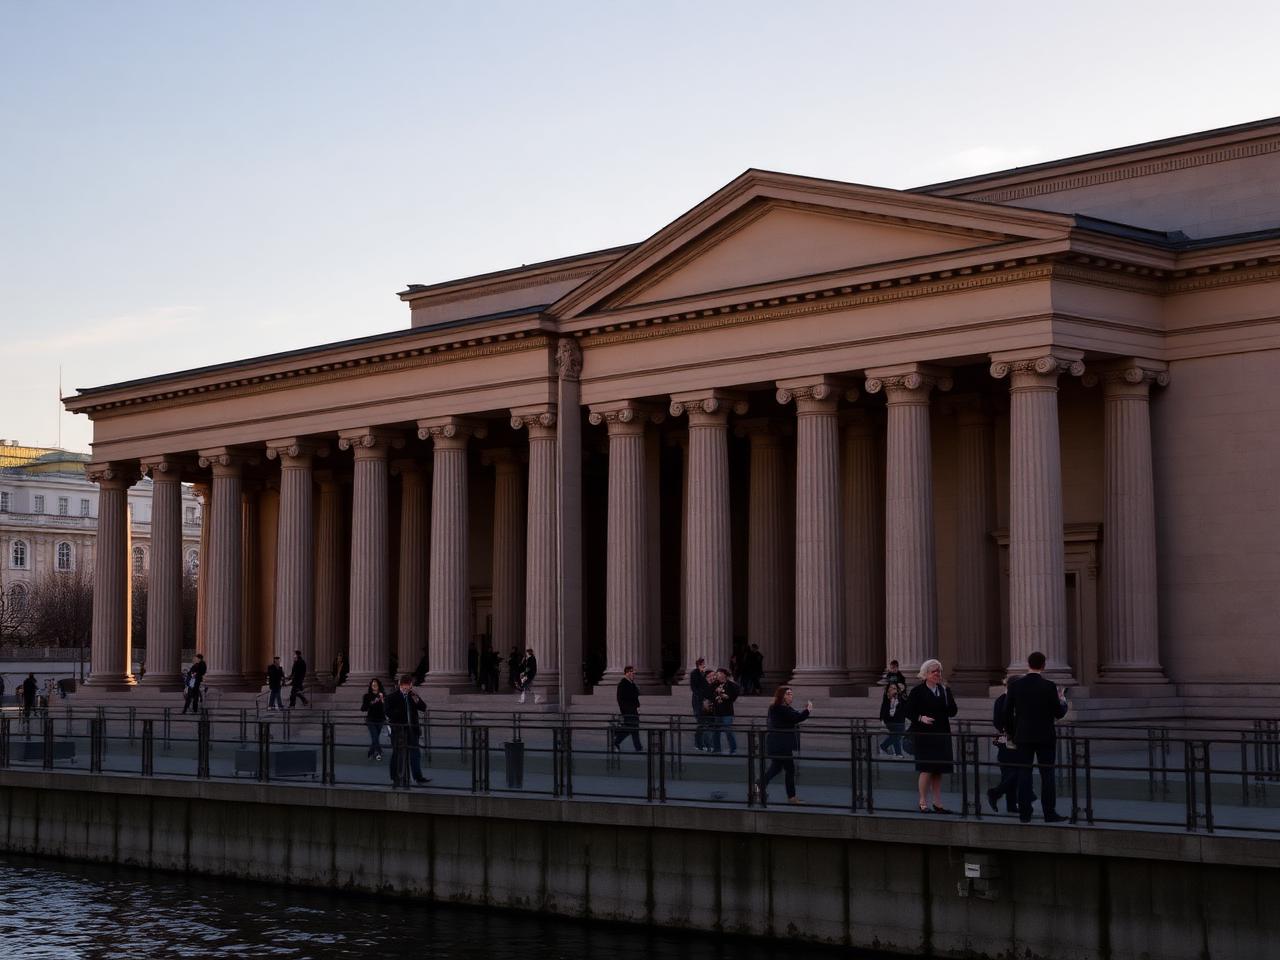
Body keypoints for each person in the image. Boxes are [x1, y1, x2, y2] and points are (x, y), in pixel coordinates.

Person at [1003, 651, 1070, 824]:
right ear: (1043, 665)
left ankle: (1025, 813)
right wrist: (1064, 702)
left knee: (1025, 773)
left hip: (1023, 736)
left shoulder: (1016, 686)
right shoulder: (1049, 686)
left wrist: (1012, 732)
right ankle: (1049, 813)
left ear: (1028, 664)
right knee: (1047, 774)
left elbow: (1006, 712)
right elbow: (1058, 713)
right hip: (1045, 736)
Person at [904, 659, 958, 813]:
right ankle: (922, 801)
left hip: (941, 734)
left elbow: (953, 712)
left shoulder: (944, 690)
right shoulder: (917, 691)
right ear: (926, 674)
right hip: (924, 734)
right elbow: (908, 711)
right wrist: (921, 718)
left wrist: (948, 699)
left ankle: (937, 803)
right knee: (926, 768)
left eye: (939, 671)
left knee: (938, 770)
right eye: (933, 671)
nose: (937, 674)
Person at [756, 686, 813, 803]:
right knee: (789, 770)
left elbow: (794, 715)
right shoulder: (778, 708)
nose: (790, 695)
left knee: (776, 768)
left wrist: (804, 712)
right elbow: (795, 718)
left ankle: (759, 785)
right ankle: (791, 797)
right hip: (780, 744)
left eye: (791, 693)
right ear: (782, 696)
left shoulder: (782, 707)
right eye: (788, 693)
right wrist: (808, 710)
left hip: (779, 744)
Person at [384, 673, 430, 785]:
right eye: (403, 687)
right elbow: (387, 712)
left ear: (411, 686)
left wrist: (416, 699)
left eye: (407, 687)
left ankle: (418, 777)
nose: (405, 689)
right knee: (397, 753)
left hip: (412, 729)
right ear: (399, 686)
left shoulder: (413, 696)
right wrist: (398, 714)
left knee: (415, 753)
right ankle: (396, 777)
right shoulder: (392, 697)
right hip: (399, 730)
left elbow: (423, 708)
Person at [710, 667, 740, 754]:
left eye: (719, 674)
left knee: (728, 730)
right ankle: (717, 748)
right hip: (717, 711)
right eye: (717, 674)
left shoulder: (731, 685)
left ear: (724, 674)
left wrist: (728, 697)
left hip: (727, 711)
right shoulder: (714, 684)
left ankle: (733, 748)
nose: (718, 676)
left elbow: (735, 694)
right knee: (716, 731)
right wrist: (714, 695)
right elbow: (709, 693)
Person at [612, 665, 642, 752]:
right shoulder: (623, 684)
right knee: (632, 728)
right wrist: (625, 710)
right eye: (632, 672)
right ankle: (617, 740)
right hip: (628, 710)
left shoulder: (632, 683)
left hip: (633, 710)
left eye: (634, 673)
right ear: (627, 673)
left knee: (633, 728)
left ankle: (638, 747)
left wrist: (637, 706)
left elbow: (635, 696)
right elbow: (620, 699)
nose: (634, 674)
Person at [361, 678, 388, 761]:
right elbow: (363, 708)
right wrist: (371, 703)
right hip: (371, 719)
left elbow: (386, 708)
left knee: (374, 738)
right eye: (373, 685)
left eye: (376, 684)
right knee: (375, 736)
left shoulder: (383, 695)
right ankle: (379, 752)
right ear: (371, 686)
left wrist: (382, 700)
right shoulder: (367, 696)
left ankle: (371, 752)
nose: (374, 686)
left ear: (379, 686)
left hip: (380, 719)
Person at [688, 658, 712, 751]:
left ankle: (705, 743)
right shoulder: (695, 673)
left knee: (704, 724)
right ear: (699, 665)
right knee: (701, 724)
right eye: (703, 664)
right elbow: (695, 687)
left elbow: (705, 687)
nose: (704, 666)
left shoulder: (703, 674)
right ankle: (698, 743)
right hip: (698, 702)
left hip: (704, 701)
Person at [878, 683, 907, 757]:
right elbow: (883, 708)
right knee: (896, 735)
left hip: (900, 720)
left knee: (896, 735)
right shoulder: (886, 698)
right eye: (891, 688)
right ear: (888, 689)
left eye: (895, 688)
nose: (893, 689)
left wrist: (901, 695)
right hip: (890, 720)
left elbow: (906, 705)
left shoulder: (901, 697)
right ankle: (898, 753)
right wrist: (881, 718)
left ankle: (884, 746)